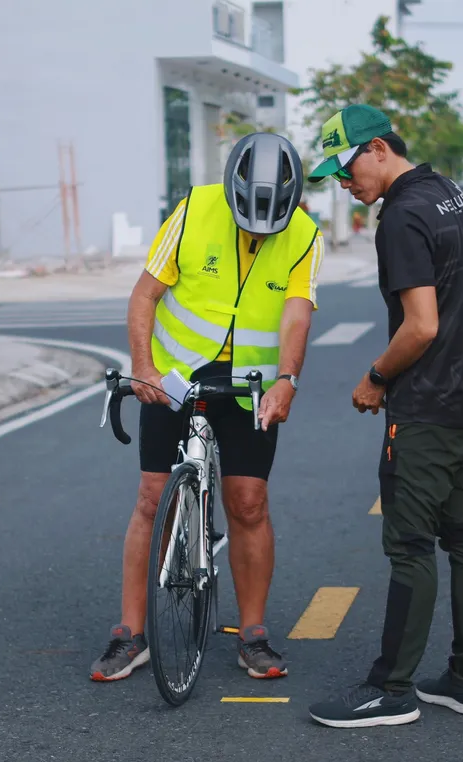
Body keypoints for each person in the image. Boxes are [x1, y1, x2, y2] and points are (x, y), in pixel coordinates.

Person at [90, 132, 324, 683]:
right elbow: (145, 294)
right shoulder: (194, 209)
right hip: (174, 375)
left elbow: (296, 314)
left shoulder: (306, 235)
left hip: (251, 384)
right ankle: (130, 634)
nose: (255, 232)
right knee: (152, 497)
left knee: (248, 503)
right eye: (247, 219)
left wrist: (288, 380)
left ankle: (253, 634)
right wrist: (142, 367)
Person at [303, 104, 463, 728]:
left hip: (427, 404)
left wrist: (375, 378)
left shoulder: (400, 216)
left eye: (347, 168)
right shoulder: (446, 192)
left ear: (379, 150)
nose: (344, 184)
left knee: (411, 544)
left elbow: (421, 326)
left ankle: (391, 691)